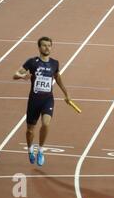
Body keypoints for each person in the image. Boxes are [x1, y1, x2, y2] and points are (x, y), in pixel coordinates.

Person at [13, 37, 71, 166]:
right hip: (34, 101)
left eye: (49, 45)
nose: (47, 48)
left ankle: (40, 150)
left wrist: (66, 94)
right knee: (30, 130)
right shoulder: (32, 62)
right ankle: (30, 150)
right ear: (39, 48)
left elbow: (58, 77)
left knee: (45, 124)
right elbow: (15, 74)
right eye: (44, 45)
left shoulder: (55, 63)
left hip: (47, 99)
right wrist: (23, 76)